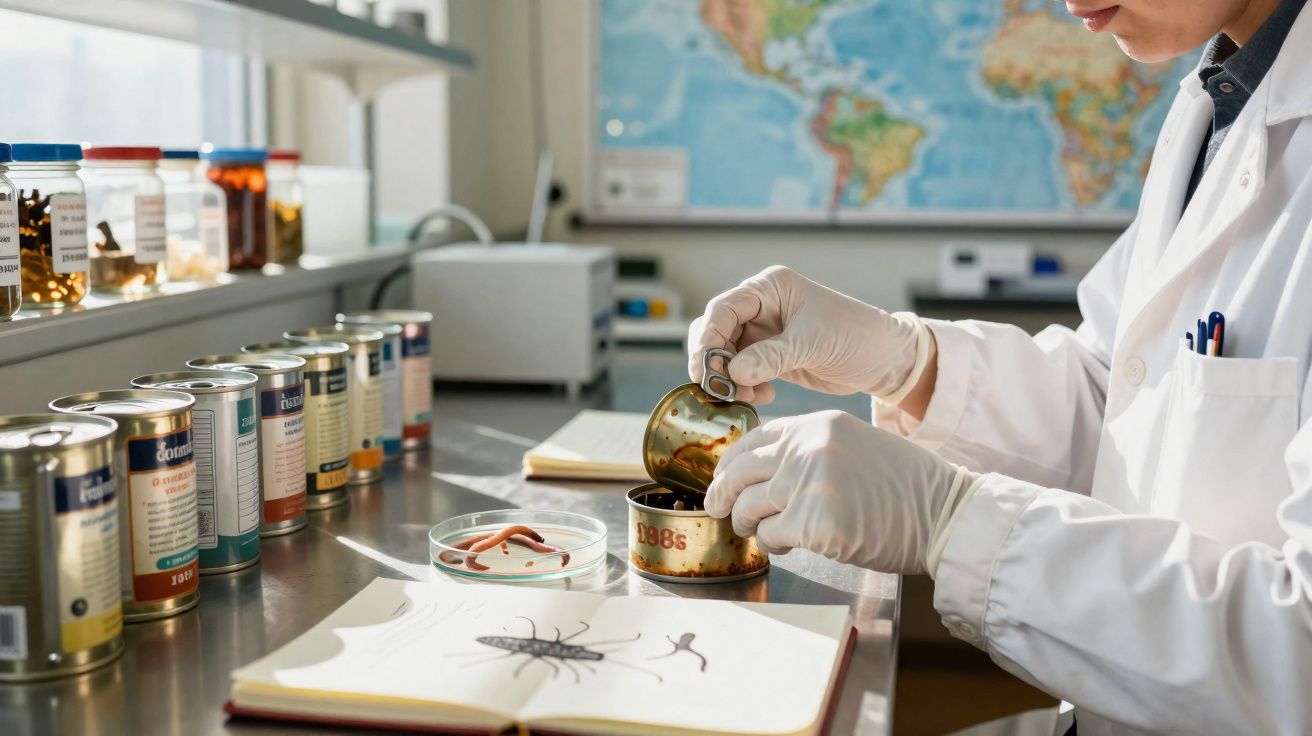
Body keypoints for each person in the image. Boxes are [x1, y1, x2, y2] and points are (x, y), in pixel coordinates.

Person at [688, 0, 1312, 733]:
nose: (1070, 3)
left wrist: (951, 521)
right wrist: (907, 363)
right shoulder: (1221, 99)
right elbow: (1125, 398)